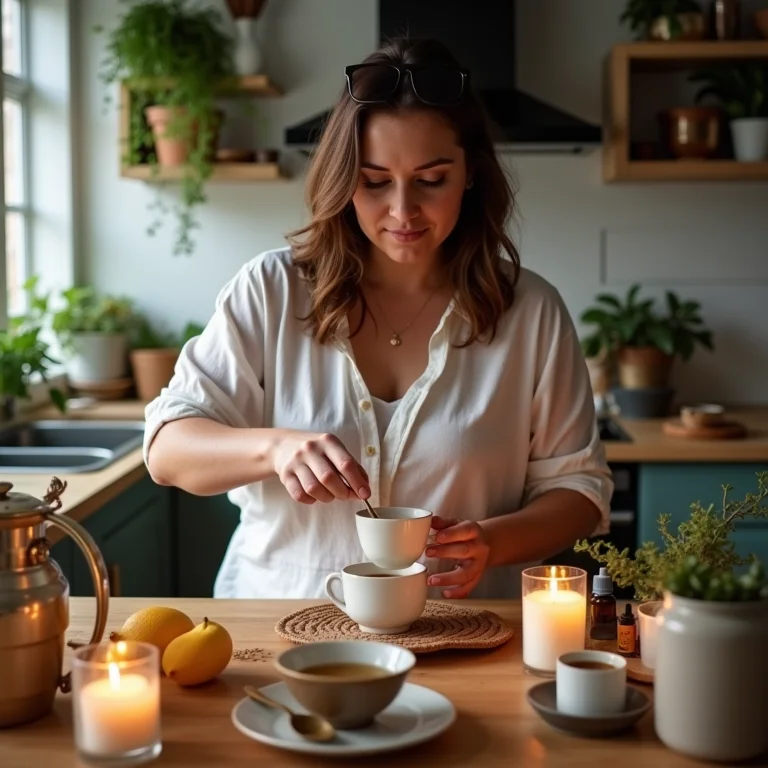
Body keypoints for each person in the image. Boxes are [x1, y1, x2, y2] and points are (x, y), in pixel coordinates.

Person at [143, 37, 613, 600]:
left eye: (431, 180)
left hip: (465, 633)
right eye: (373, 181)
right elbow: (168, 450)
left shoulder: (531, 311)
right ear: (344, 181)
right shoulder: (269, 290)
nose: (402, 211)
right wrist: (274, 449)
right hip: (276, 632)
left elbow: (579, 492)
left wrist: (493, 541)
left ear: (471, 175)